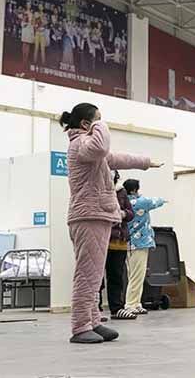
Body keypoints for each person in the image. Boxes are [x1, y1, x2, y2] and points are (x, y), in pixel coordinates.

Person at [59, 103, 160, 344]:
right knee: (88, 275)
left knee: (93, 276)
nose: (102, 124)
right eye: (97, 120)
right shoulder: (81, 144)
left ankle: (93, 321)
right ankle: (81, 325)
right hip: (89, 216)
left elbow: (117, 157)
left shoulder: (89, 149)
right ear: (86, 124)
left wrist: (146, 161)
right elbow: (102, 145)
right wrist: (100, 124)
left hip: (97, 214)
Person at [123, 179, 167, 315]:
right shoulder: (140, 202)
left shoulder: (125, 202)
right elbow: (157, 201)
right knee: (137, 275)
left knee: (133, 275)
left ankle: (136, 303)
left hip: (129, 243)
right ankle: (130, 304)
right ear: (134, 190)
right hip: (140, 243)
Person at [98, 170, 137, 321]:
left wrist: (123, 214)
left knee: (117, 276)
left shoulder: (121, 192)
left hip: (119, 241)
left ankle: (117, 308)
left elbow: (131, 213)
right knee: (97, 277)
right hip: (103, 240)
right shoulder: (98, 190)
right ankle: (96, 309)